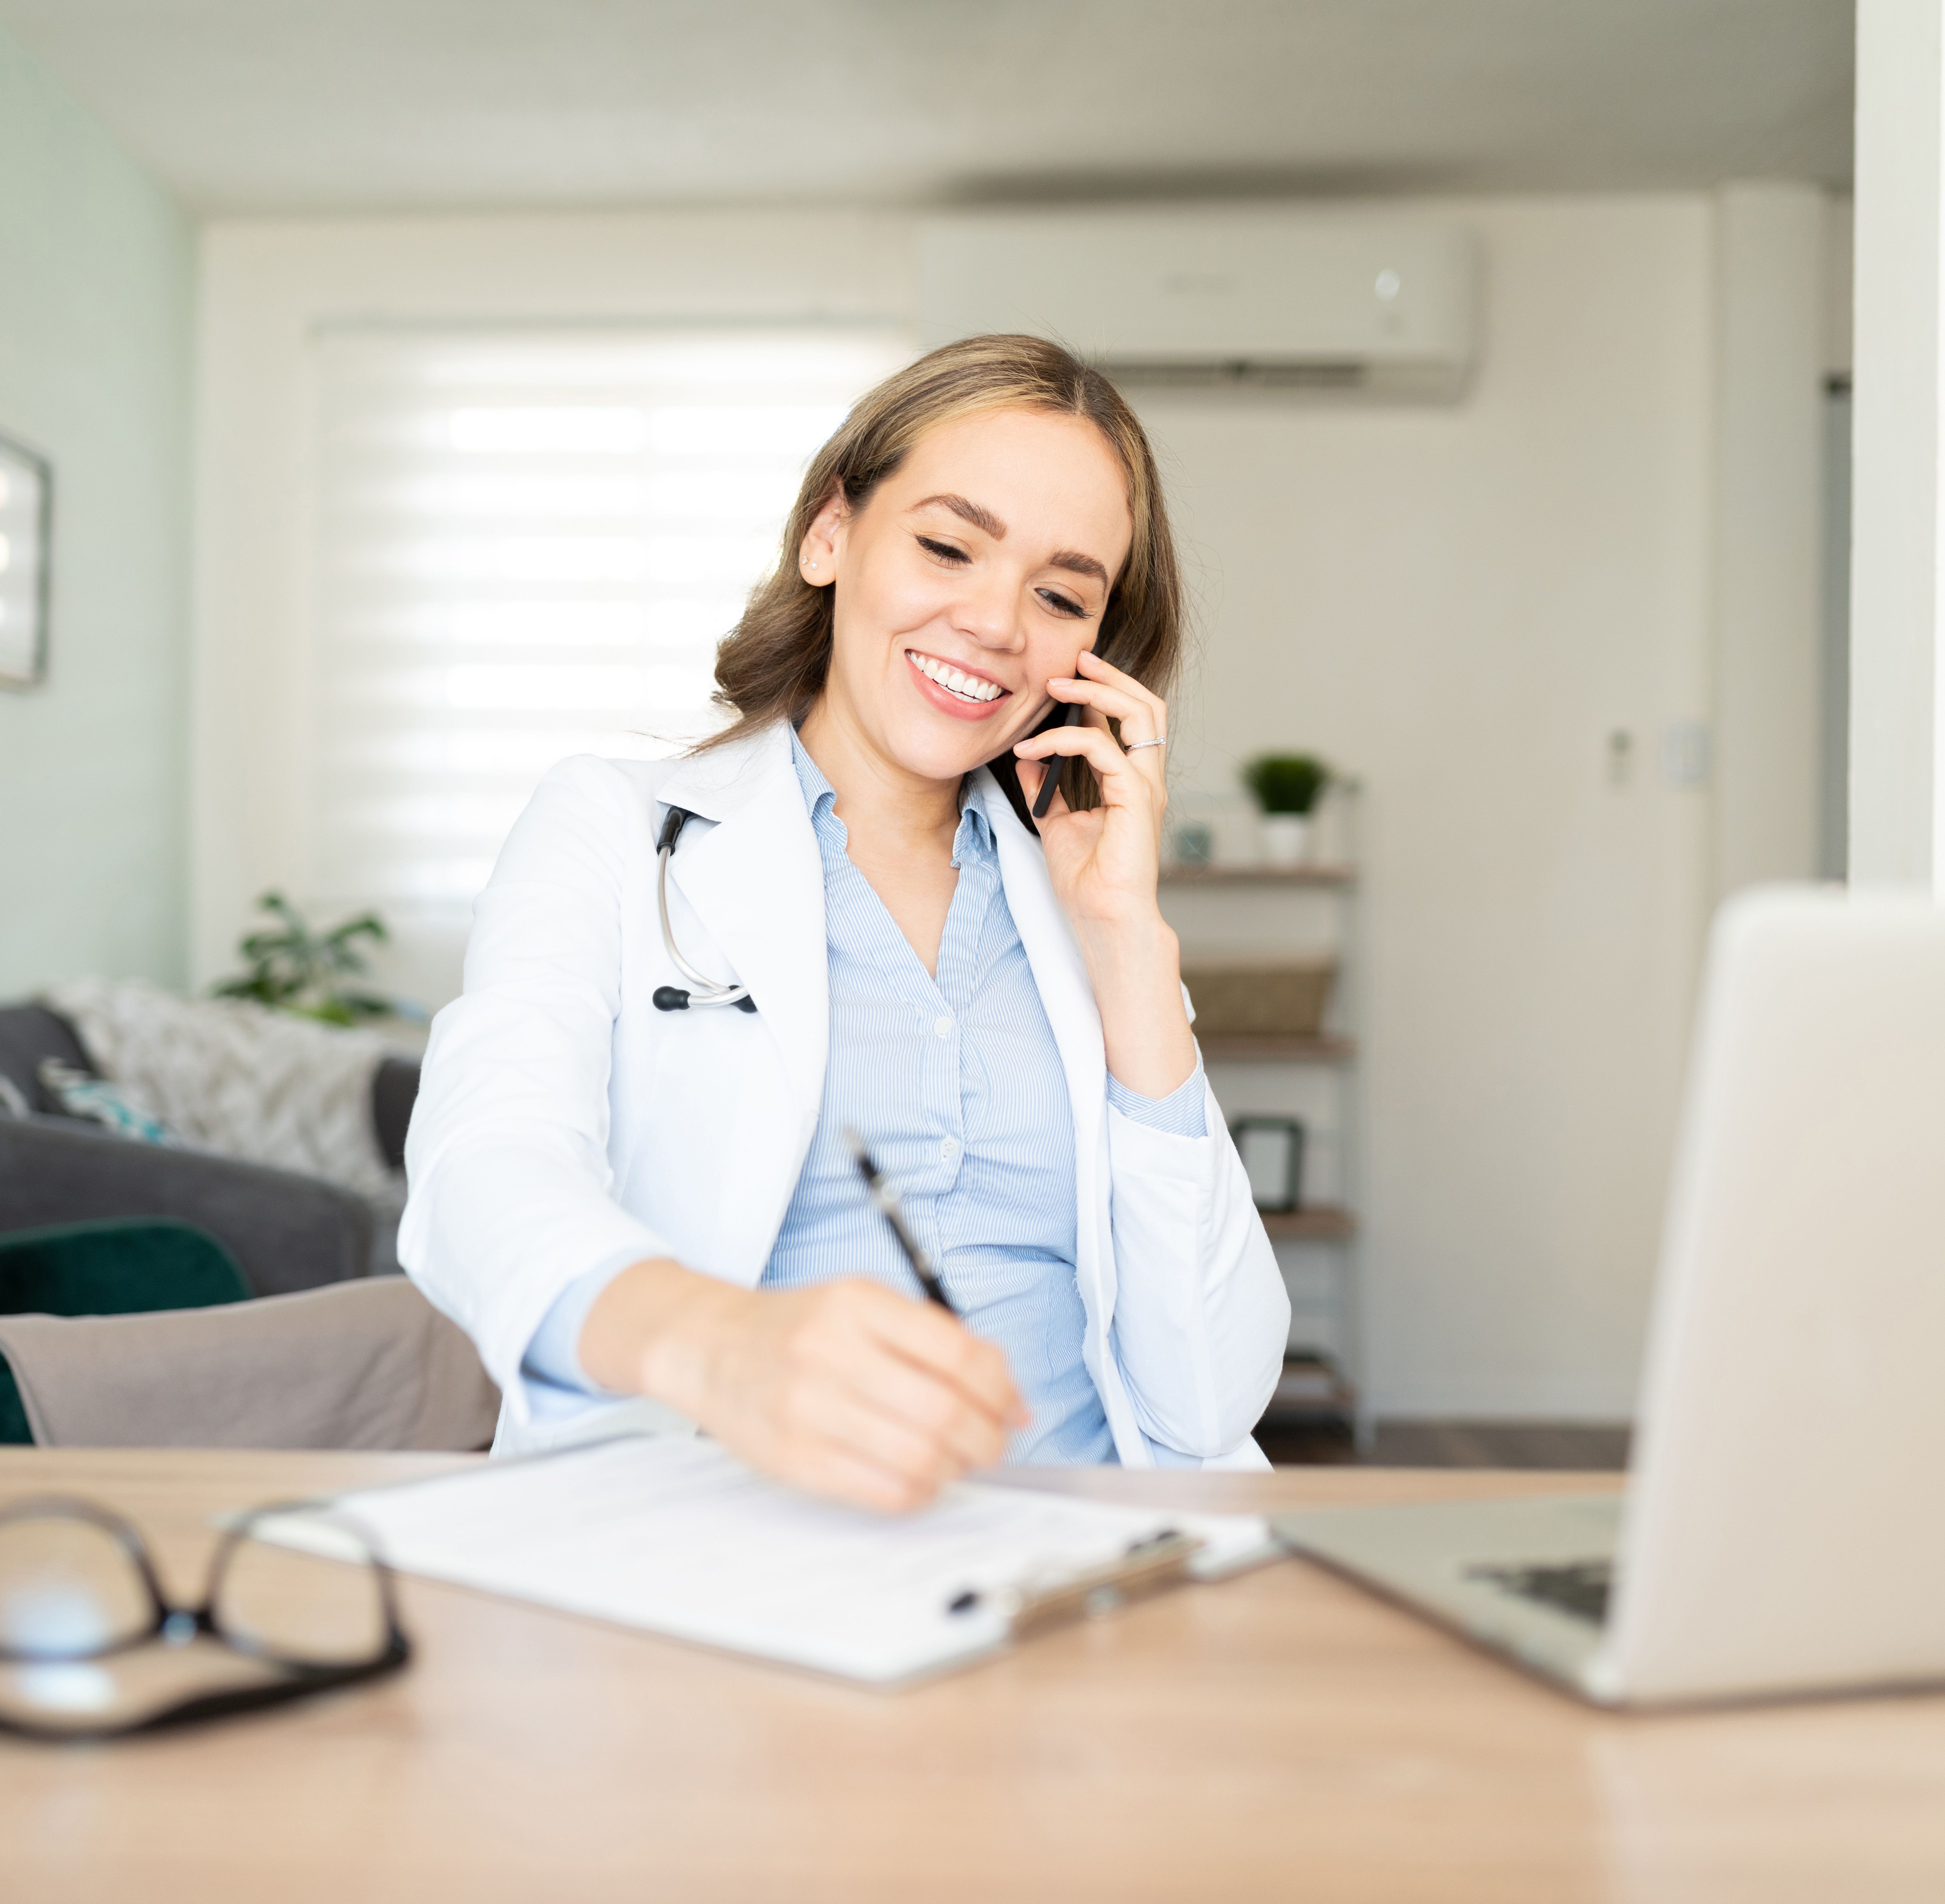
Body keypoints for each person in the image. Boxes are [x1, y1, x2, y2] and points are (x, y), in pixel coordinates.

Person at [400, 334, 1289, 1511]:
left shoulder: (1088, 910)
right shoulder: (615, 828)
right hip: (729, 1550)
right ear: (832, 535)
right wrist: (718, 1346)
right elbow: (482, 1171)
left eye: (1062, 594)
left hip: (1087, 1567)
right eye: (947, 546)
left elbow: (1214, 1396)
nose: (994, 621)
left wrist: (1128, 937)